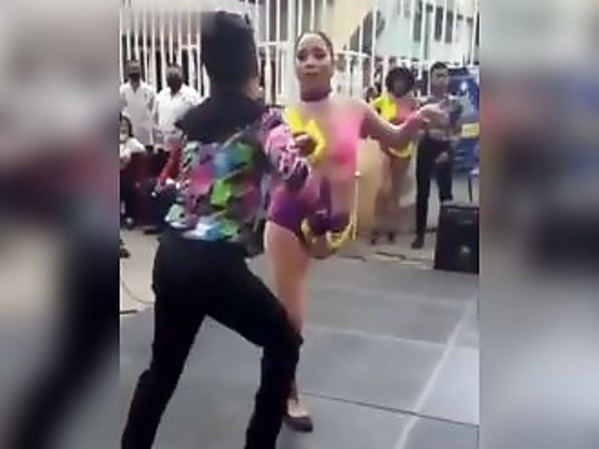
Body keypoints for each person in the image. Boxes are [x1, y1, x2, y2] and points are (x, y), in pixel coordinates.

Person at [121, 12, 314, 449]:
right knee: (284, 343)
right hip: (213, 264)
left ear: (208, 67)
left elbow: (211, 176)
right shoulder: (266, 121)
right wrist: (301, 159)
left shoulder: (195, 124)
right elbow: (298, 178)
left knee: (163, 370)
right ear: (254, 64)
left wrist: (277, 154)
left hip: (172, 256)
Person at [263, 30, 447, 432]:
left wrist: (417, 120)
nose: (310, 61)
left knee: (294, 315)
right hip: (292, 220)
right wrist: (292, 154)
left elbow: (396, 137)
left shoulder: (355, 109)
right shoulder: (283, 118)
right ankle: (286, 391)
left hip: (339, 223)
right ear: (294, 67)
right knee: (291, 316)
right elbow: (271, 171)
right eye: (302, 55)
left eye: (319, 53)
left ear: (334, 61)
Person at [412, 62, 463, 249]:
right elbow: (416, 129)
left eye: (445, 75)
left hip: (444, 147)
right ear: (431, 79)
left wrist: (449, 152)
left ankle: (448, 236)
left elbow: (458, 132)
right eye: (438, 76)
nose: (442, 80)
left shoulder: (455, 104)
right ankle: (419, 235)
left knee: (445, 195)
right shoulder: (422, 104)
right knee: (422, 193)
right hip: (426, 146)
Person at [145, 64, 201, 234]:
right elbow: (155, 118)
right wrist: (162, 181)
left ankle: (174, 224)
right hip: (165, 145)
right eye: (169, 74)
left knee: (171, 191)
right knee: (154, 186)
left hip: (188, 177)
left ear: (182, 75)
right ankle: (159, 224)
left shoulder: (191, 96)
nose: (172, 77)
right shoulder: (161, 95)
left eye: (175, 74)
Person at [370, 66, 419, 244]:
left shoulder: (412, 102)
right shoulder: (384, 100)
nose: (399, 84)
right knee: (384, 188)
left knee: (395, 191)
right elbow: (368, 112)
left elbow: (417, 123)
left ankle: (391, 228)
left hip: (404, 150)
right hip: (386, 148)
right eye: (396, 81)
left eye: (402, 81)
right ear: (391, 82)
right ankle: (376, 226)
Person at [119, 60, 156, 150]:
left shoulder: (149, 90)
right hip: (128, 140)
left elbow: (154, 113)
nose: (134, 72)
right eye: (132, 69)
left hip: (146, 137)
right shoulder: (122, 91)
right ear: (127, 71)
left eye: (136, 69)